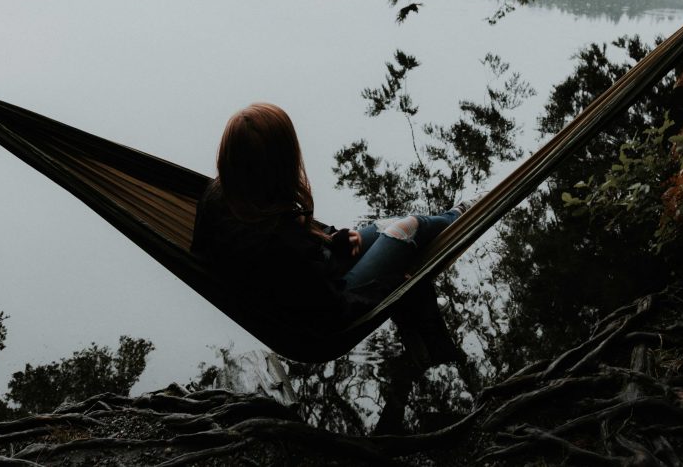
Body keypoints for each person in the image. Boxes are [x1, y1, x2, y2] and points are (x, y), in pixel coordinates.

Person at [191, 102, 474, 366]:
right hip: (325, 313)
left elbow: (287, 254)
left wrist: (330, 240)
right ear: (281, 165)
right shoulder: (279, 247)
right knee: (408, 229)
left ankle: (423, 341)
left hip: (305, 281)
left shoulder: (221, 196)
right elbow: (333, 312)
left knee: (388, 227)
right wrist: (393, 286)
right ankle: (466, 213)